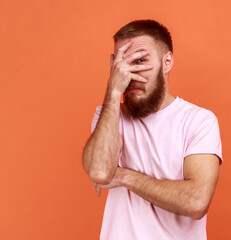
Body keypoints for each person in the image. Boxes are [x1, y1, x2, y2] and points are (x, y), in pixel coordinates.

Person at [83, 19, 223, 240]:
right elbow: (100, 172)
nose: (131, 75)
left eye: (140, 61)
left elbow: (196, 202)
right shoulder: (108, 116)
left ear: (166, 62)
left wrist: (125, 177)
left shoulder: (199, 121)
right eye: (123, 64)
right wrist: (112, 91)